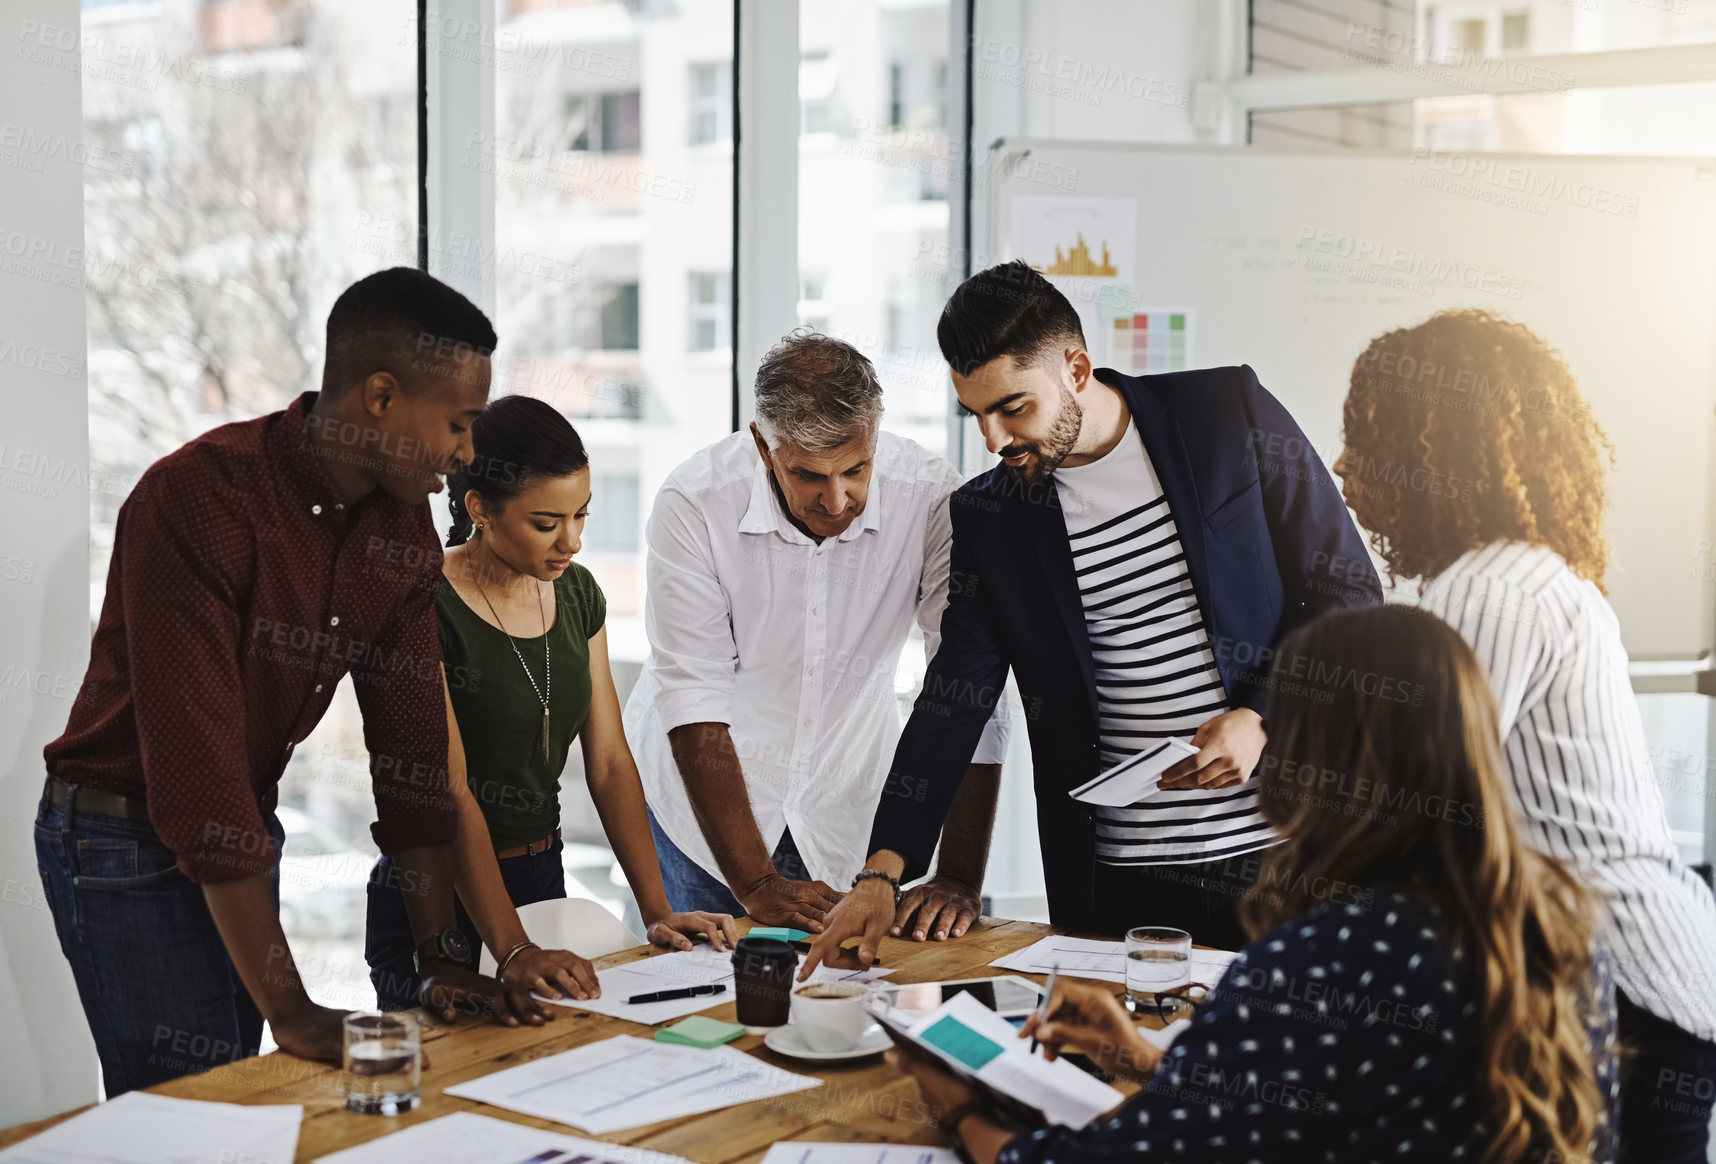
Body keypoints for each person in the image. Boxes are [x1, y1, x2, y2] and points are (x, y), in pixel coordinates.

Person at [36, 268, 550, 1096]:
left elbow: (412, 759)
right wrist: (297, 1012)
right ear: (381, 397)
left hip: (242, 828)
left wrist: (440, 960)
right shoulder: (198, 498)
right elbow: (199, 779)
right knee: (194, 1119)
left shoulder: (400, 527)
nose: (467, 455)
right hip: (121, 839)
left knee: (249, 1104)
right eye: (457, 424)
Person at [888, 605, 1620, 1164]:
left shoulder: (1330, 953)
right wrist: (1144, 1059)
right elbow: (1341, 1098)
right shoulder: (1557, 924)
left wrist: (954, 1105)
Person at [805, 261, 1380, 970]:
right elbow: (954, 700)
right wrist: (881, 872)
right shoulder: (990, 515)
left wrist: (1264, 714)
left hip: (1284, 850)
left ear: (1076, 367)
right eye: (976, 415)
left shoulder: (1225, 412)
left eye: (1013, 408)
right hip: (1119, 884)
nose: (993, 439)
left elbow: (1349, 593)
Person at [1333, 308, 1716, 1164]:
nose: (1341, 463)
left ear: (1437, 454)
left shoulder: (1491, 590)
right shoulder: (1518, 575)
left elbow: (1427, 802)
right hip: (1631, 969)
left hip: (1624, 984)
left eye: (1365, 437)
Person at [624, 330, 1010, 935]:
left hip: (846, 803)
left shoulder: (933, 498)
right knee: (706, 1008)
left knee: (845, 1003)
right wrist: (754, 883)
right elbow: (693, 694)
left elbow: (966, 682)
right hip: (703, 818)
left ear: (876, 436)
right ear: (762, 444)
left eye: (856, 469)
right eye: (808, 475)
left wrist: (959, 877)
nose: (837, 500)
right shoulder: (694, 503)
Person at [364, 394, 737, 1009]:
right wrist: (511, 947)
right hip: (440, 892)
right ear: (479, 508)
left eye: (582, 517)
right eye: (546, 524)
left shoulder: (578, 593)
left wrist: (658, 910)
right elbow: (447, 788)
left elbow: (611, 762)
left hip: (544, 876)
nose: (572, 542)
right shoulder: (424, 602)